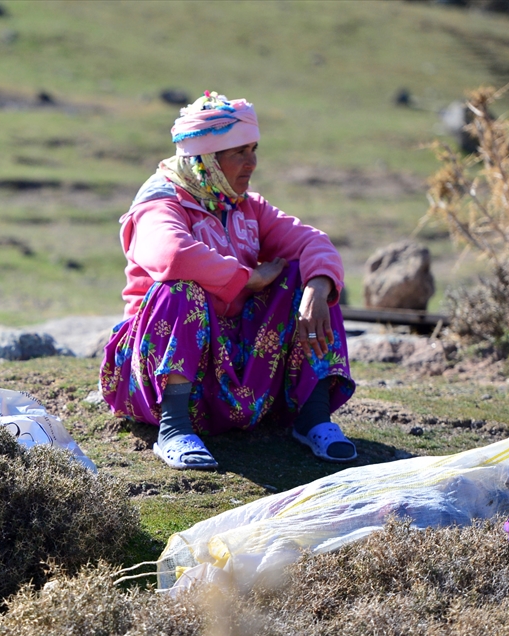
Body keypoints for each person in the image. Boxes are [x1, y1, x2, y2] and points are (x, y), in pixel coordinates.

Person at [99, 92, 357, 470]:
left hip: (233, 370)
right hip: (156, 374)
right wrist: (248, 279)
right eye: (239, 152)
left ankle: (313, 416)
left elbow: (312, 241)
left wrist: (318, 287)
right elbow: (171, 255)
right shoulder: (159, 202)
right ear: (206, 159)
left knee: (306, 274)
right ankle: (174, 428)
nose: (252, 163)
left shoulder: (245, 205)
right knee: (180, 288)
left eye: (254, 149)